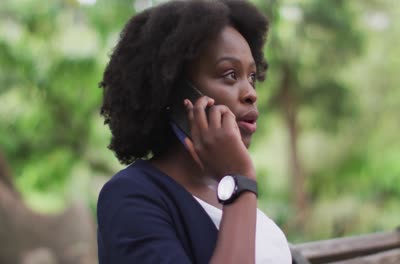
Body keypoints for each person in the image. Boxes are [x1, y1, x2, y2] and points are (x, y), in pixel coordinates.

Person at [97, 0, 292, 263]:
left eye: (252, 77)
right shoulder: (131, 197)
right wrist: (239, 180)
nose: (251, 94)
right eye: (230, 74)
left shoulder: (228, 196)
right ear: (175, 93)